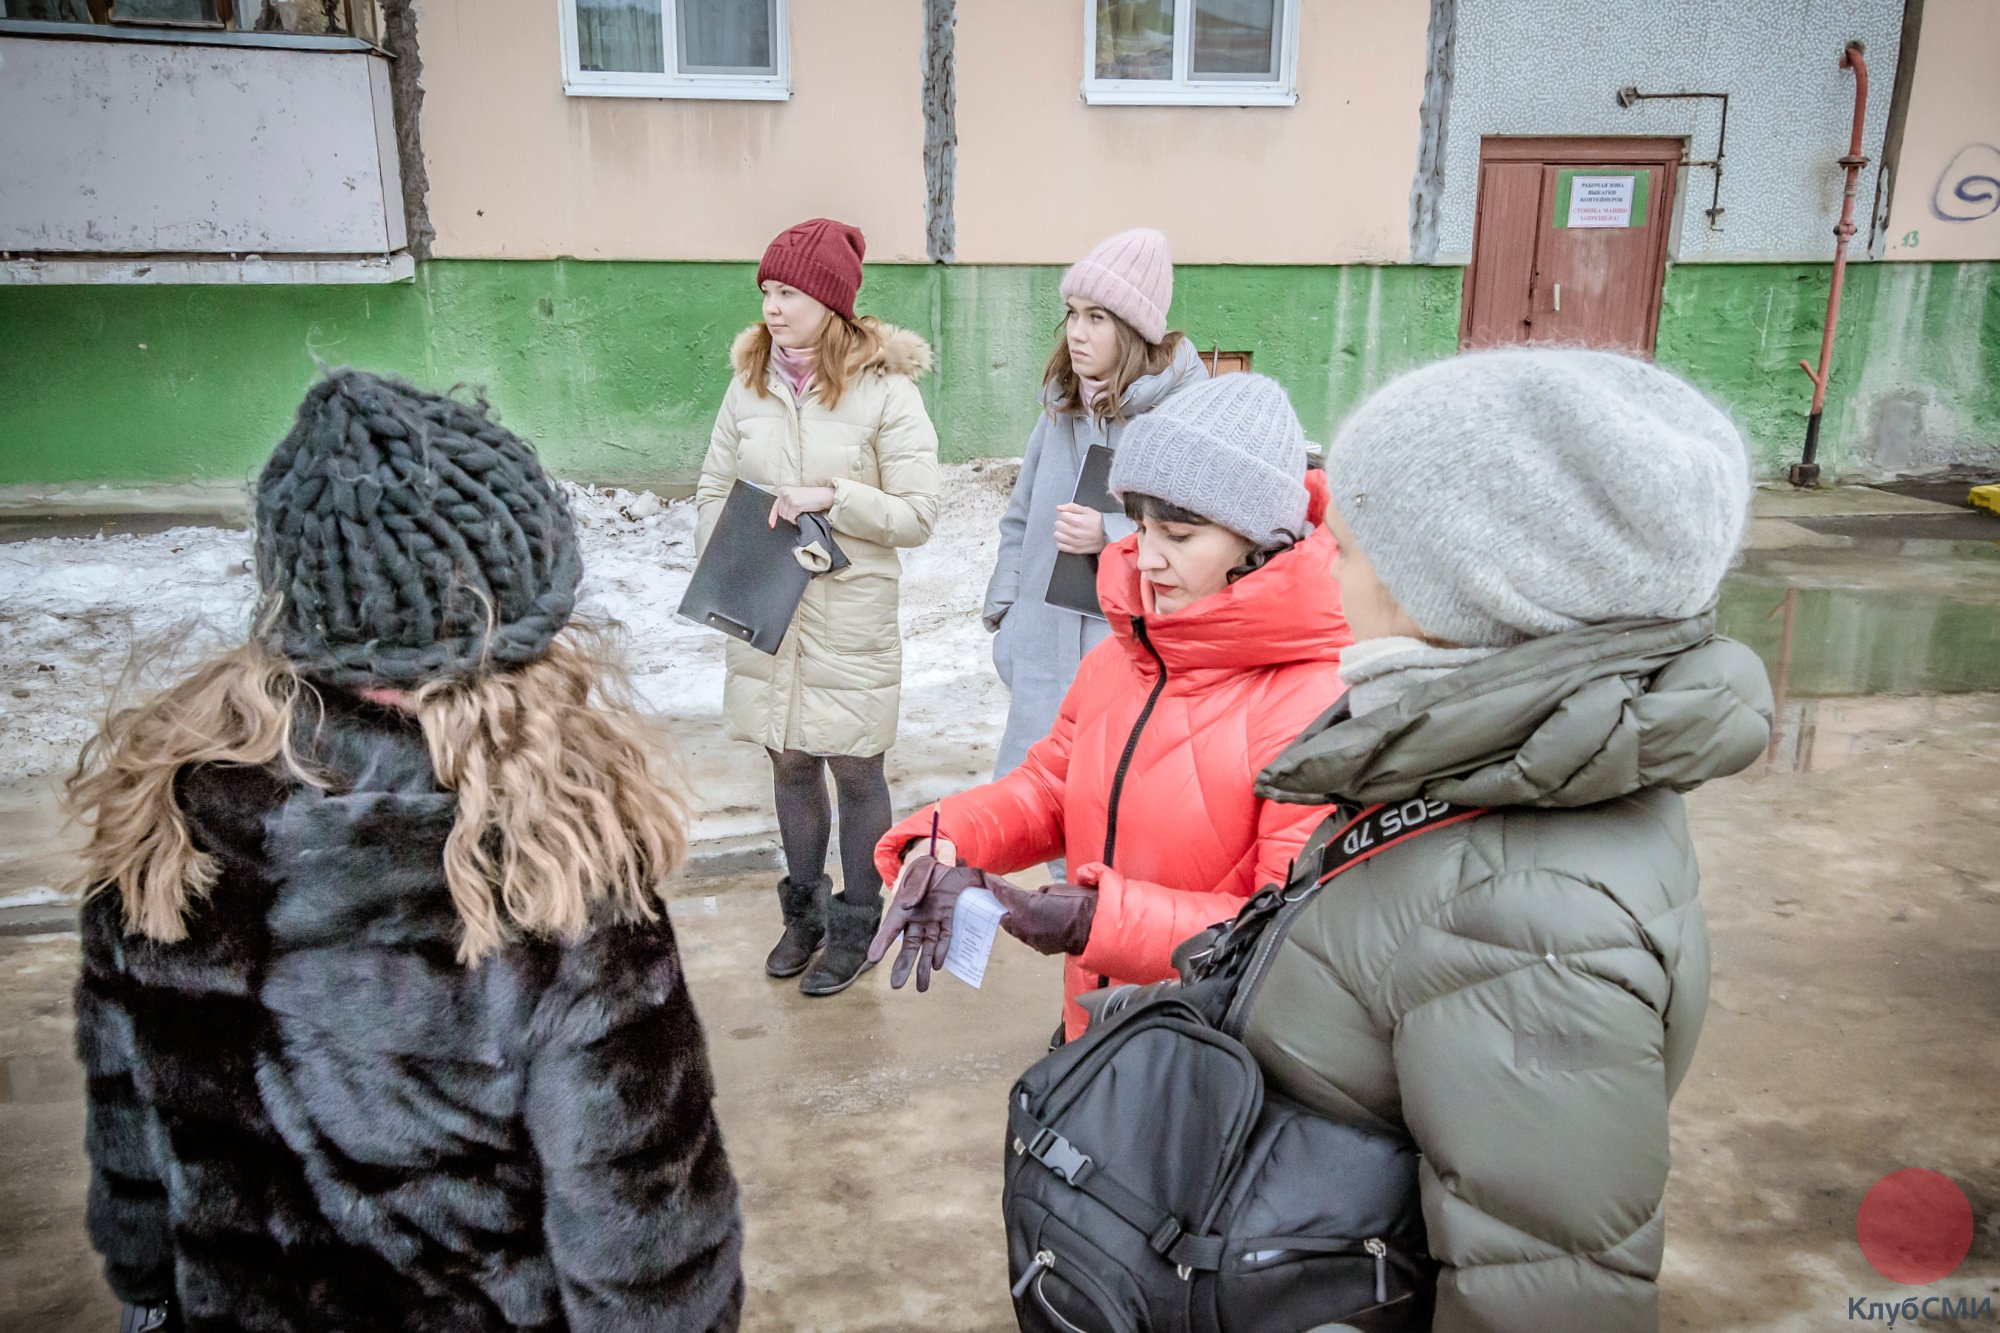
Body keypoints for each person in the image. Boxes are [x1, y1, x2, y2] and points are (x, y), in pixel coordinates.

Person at [68, 371, 745, 1332]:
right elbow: (644, 1241)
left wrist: (145, 1291)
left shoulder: (163, 822)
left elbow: (129, 1132)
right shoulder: (552, 860)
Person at [1242, 349, 1774, 1330]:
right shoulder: (1497, 767)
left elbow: (1548, 1289)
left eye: (1348, 548)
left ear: (1454, 593)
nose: (1322, 566)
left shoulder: (1533, 923)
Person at [871, 373, 1352, 1040]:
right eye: (1142, 525)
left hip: (1210, 1054)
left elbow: (1284, 930)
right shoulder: (1125, 655)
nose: (1146, 558)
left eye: (1179, 536)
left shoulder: (1316, 703)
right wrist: (943, 839)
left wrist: (1093, 921)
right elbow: (1050, 790)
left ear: (1260, 542)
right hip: (1093, 1024)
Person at [696, 217, 942, 996]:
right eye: (766, 290)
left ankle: (857, 922)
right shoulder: (748, 386)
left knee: (855, 767)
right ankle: (801, 916)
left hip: (847, 615)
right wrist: (732, 549)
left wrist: (835, 498)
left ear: (831, 302)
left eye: (789, 291)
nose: (772, 306)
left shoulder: (886, 394)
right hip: (768, 604)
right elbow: (712, 486)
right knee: (789, 760)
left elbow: (918, 513)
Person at [984, 226, 1207, 782]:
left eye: (1097, 318)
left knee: (1100, 827)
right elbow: (1020, 515)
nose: (1077, 333)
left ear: (1132, 330)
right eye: (1073, 313)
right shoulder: (1061, 407)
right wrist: (1007, 615)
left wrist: (1108, 534)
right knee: (1026, 816)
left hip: (1124, 661)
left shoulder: (1180, 419)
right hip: (1039, 649)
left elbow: (1198, 535)